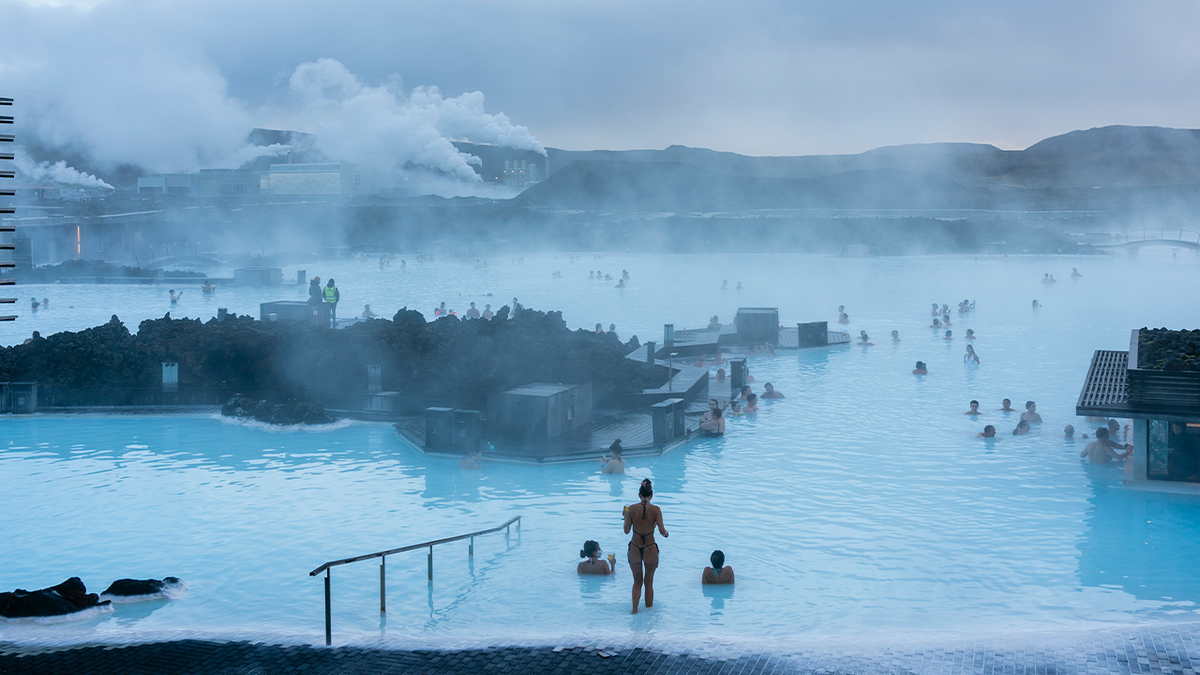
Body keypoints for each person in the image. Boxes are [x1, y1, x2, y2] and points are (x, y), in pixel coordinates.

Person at [624, 479, 669, 614]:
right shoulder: (656, 510)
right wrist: (666, 533)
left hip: (635, 548)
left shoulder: (632, 509)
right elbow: (662, 531)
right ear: (651, 495)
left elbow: (626, 531)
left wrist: (626, 516)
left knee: (637, 582)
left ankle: (634, 610)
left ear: (639, 495)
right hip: (650, 547)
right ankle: (648, 613)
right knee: (648, 583)